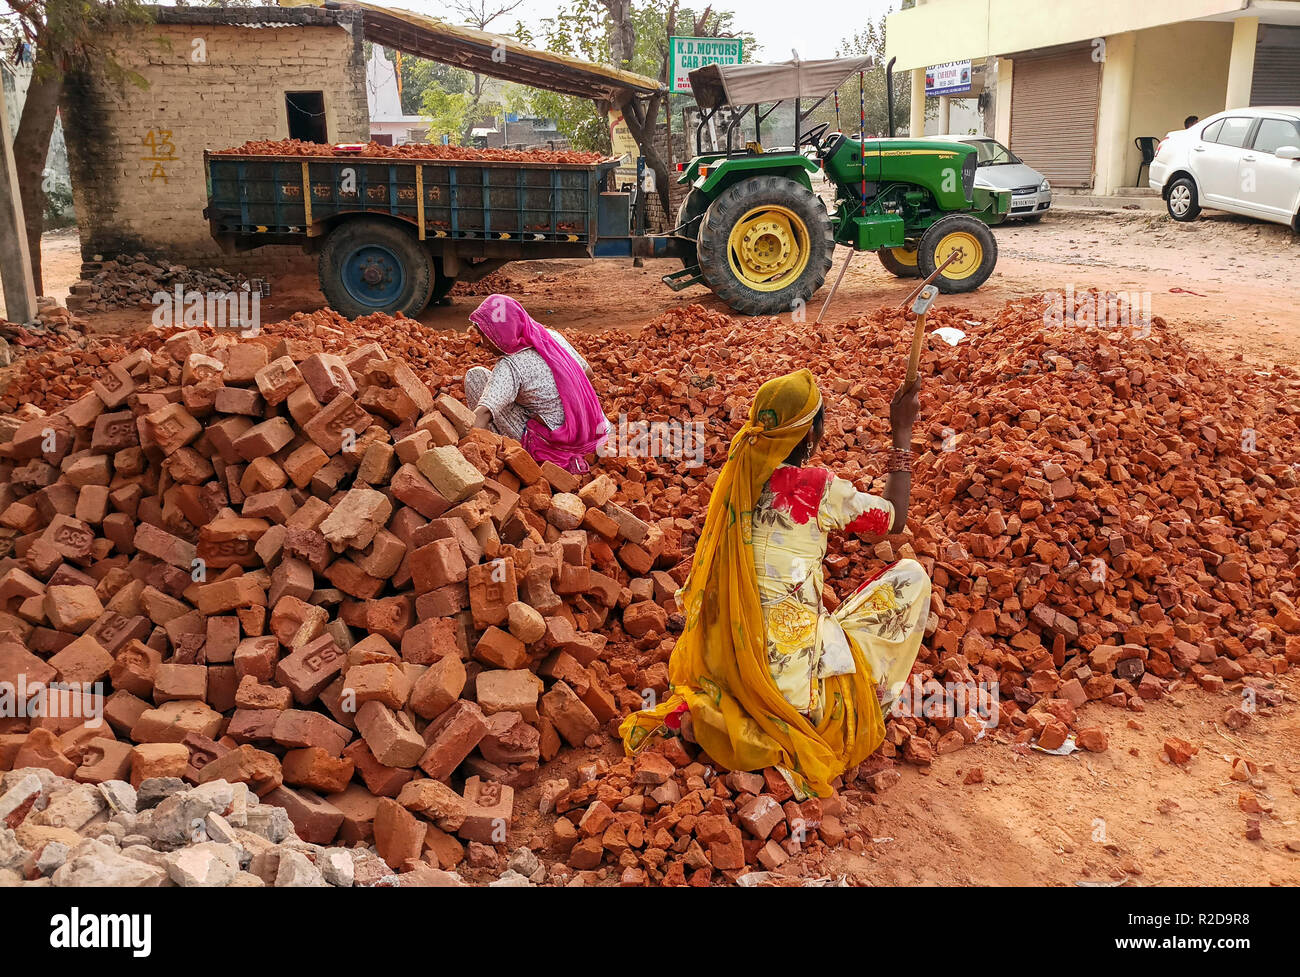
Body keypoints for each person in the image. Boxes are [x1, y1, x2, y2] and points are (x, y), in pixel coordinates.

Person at [620, 368, 931, 799]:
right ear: (811, 435)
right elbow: (895, 520)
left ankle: (728, 707)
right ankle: (866, 699)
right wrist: (902, 431)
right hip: (796, 698)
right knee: (910, 577)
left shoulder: (735, 481)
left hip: (726, 668)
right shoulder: (815, 488)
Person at [464, 294, 608, 473]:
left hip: (553, 446)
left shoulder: (511, 364)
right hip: (594, 431)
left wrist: (464, 448)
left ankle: (505, 456)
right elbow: (587, 372)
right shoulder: (551, 337)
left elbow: (483, 414)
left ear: (501, 333)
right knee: (515, 393)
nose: (483, 344)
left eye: (486, 335)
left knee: (476, 377)